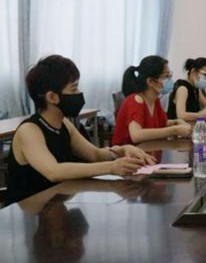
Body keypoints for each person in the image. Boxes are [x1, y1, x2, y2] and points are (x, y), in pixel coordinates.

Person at [6, 55, 155, 205]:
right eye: (74, 88)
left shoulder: (64, 123)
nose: (79, 93)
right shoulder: (29, 130)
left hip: (56, 203)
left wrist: (122, 150)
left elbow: (94, 154)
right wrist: (111, 167)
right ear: (51, 97)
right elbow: (54, 171)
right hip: (30, 213)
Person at [113, 55, 192, 145]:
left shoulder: (154, 100)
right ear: (150, 81)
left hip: (148, 149)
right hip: (128, 152)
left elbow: (162, 123)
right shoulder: (135, 100)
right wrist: (174, 130)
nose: (170, 80)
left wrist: (175, 123)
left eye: (170, 75)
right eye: (166, 76)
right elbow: (136, 135)